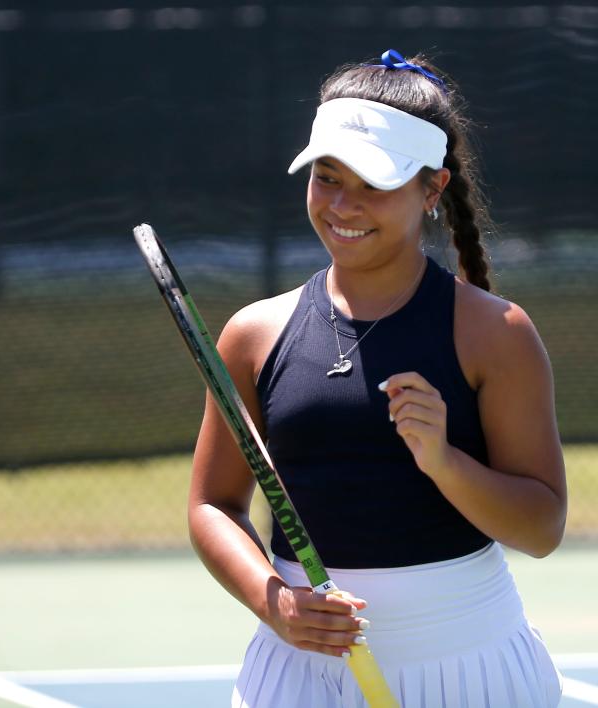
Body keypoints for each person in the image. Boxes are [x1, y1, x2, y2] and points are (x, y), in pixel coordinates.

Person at [190, 50, 566, 707]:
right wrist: (274, 601)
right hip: (295, 671)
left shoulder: (495, 334)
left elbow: (541, 528)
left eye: (374, 183)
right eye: (327, 177)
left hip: (472, 666)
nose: (343, 205)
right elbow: (212, 505)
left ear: (432, 189)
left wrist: (443, 462)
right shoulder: (252, 334)